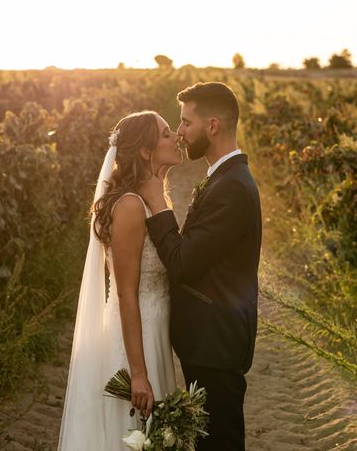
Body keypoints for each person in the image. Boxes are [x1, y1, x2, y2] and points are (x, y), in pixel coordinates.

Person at [139, 82, 262, 451]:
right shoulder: (224, 178)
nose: (179, 132)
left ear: (212, 127)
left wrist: (156, 203)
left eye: (185, 122)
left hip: (217, 345)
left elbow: (183, 264)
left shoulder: (233, 187)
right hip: (209, 344)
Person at [57, 110, 183, 450]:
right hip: (135, 340)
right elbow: (127, 294)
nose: (177, 138)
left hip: (154, 332)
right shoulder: (130, 206)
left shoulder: (153, 200)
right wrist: (138, 374)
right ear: (145, 151)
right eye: (167, 133)